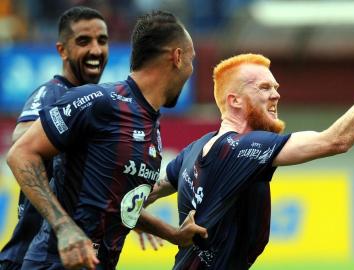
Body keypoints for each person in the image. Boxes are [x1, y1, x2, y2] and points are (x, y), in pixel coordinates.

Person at [146, 39, 354, 269]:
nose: (276, 94)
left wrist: (148, 224)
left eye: (275, 87)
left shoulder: (194, 149)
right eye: (265, 88)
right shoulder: (245, 146)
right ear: (235, 100)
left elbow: (134, 199)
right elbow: (336, 141)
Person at [6, 10, 207, 270]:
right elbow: (20, 153)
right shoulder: (97, 100)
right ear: (178, 57)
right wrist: (64, 228)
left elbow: (113, 203)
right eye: (192, 60)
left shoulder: (149, 124)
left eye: (102, 40)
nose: (191, 70)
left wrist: (172, 234)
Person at [0, 6, 109, 270]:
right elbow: (21, 139)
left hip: (68, 256)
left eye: (102, 41)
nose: (96, 50)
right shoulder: (53, 93)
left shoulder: (91, 101)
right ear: (62, 50)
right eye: (84, 41)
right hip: (28, 257)